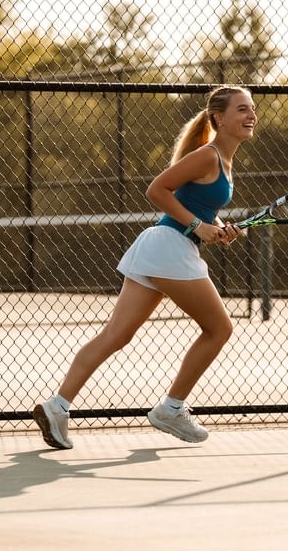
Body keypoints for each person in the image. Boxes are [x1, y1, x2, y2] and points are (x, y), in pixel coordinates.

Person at [32, 85, 257, 449]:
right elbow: (156, 190)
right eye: (242, 109)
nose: (251, 116)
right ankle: (172, 408)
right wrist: (197, 226)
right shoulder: (208, 156)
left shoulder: (223, 162)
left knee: (116, 336)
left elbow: (197, 209)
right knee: (219, 329)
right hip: (169, 247)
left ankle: (57, 407)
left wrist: (217, 229)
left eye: (252, 109)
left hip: (163, 247)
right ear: (219, 117)